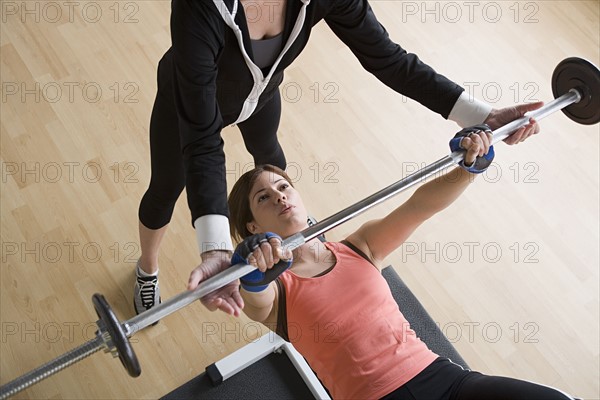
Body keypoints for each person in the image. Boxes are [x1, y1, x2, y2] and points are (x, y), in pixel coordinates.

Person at [133, 0, 542, 314]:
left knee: (273, 162)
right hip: (187, 102)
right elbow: (203, 139)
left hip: (260, 96)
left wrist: (482, 115)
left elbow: (389, 59)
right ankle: (146, 270)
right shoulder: (202, 6)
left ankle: (290, 234)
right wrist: (216, 249)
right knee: (166, 187)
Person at [213, 127, 574, 399]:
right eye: (264, 197)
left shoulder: (360, 247)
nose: (279, 196)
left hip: (441, 379)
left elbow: (420, 206)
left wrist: (467, 167)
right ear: (252, 226)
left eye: (283, 187)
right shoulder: (275, 290)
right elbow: (255, 301)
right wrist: (252, 269)